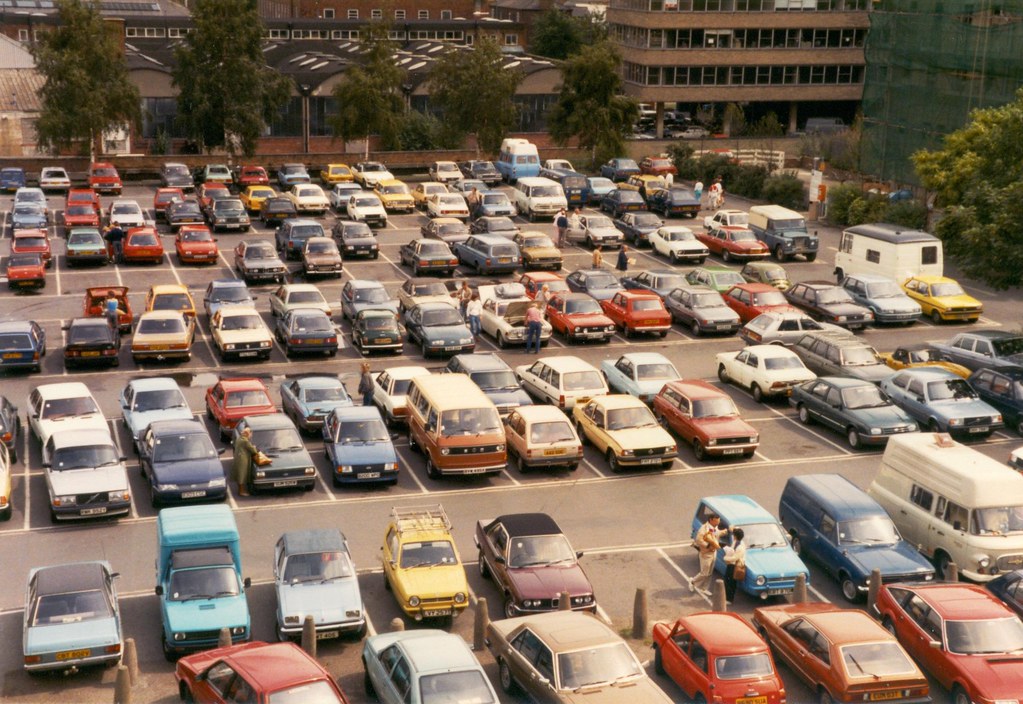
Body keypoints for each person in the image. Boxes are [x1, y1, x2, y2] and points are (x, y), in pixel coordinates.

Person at [690, 513, 729, 594]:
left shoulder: (715, 527)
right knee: (704, 573)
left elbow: (718, 533)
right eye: (716, 521)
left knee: (710, 572)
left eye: (718, 521)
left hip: (713, 553)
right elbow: (699, 540)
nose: (718, 523)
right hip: (706, 554)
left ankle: (704, 588)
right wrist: (708, 546)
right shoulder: (703, 529)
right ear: (711, 520)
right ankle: (693, 581)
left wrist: (727, 531)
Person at [232, 427, 258, 497]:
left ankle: (241, 490)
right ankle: (241, 492)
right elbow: (253, 451)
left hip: (238, 458)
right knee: (242, 475)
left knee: (240, 475)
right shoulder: (245, 441)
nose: (251, 435)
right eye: (250, 434)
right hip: (243, 460)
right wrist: (254, 447)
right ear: (247, 434)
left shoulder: (239, 438)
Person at [722, 527, 746, 603]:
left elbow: (735, 558)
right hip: (731, 564)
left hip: (734, 565)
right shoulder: (736, 541)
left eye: (734, 534)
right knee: (727, 580)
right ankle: (727, 596)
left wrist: (725, 558)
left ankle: (729, 599)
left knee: (730, 582)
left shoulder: (740, 547)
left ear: (735, 536)